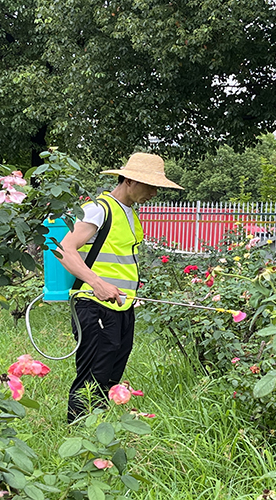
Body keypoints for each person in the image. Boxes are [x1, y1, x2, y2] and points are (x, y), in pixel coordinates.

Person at [57, 152, 183, 422]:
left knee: (111, 377)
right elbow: (64, 250)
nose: (154, 193)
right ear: (129, 181)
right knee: (92, 376)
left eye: (157, 187)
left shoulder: (130, 213)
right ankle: (78, 431)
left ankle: (99, 431)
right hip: (94, 304)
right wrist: (97, 283)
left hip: (121, 306)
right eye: (149, 186)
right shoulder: (99, 209)